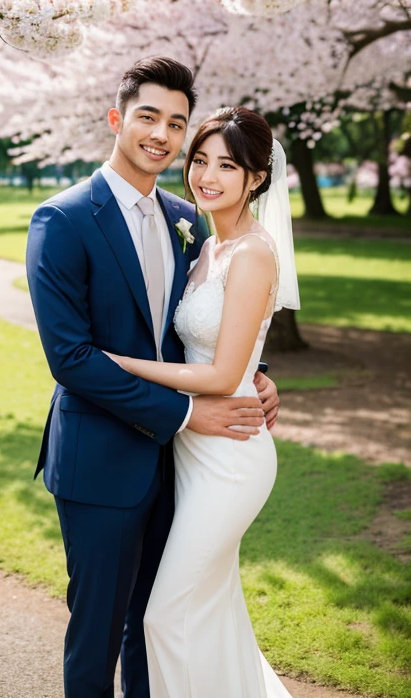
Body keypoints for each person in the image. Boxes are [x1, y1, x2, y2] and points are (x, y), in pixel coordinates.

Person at [26, 58, 280, 698]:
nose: (161, 135)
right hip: (101, 461)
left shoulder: (185, 218)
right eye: (148, 117)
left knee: (156, 624)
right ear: (117, 119)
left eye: (176, 122)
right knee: (98, 633)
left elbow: (207, 317)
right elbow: (71, 359)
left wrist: (259, 373)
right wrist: (190, 414)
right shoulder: (62, 220)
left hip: (177, 467)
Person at [104, 106, 300, 698]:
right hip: (189, 448)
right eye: (201, 160)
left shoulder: (254, 254)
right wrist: (260, 373)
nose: (206, 176)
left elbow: (219, 374)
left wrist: (115, 363)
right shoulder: (205, 242)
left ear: (256, 178)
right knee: (212, 609)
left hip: (231, 452)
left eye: (227, 166)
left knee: (167, 614)